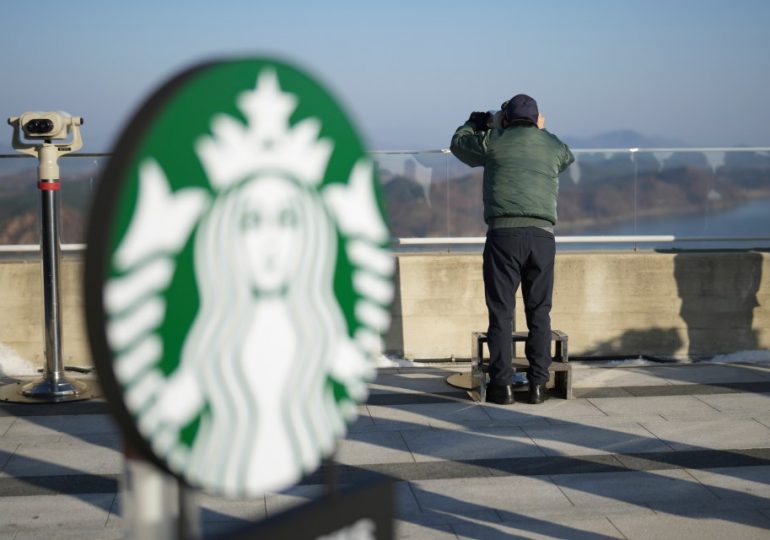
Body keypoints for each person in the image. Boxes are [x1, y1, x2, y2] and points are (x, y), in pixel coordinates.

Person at [450, 94, 574, 405]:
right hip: (542, 238)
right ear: (536, 119)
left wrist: (476, 123)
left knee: (501, 313)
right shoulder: (552, 144)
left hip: (503, 236)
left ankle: (502, 387)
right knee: (539, 313)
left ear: (506, 119)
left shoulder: (493, 140)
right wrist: (541, 132)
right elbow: (566, 157)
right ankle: (537, 387)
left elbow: (459, 144)